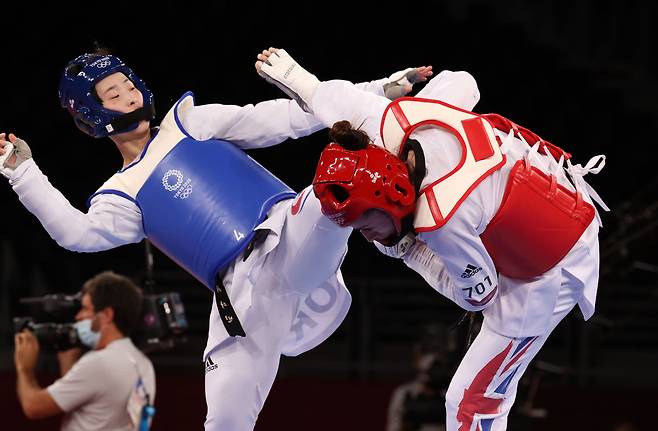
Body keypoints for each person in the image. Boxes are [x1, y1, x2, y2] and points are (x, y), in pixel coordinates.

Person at [0, 48, 431, 430]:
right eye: (113, 94)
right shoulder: (121, 195)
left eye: (128, 84)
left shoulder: (190, 122)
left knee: (341, 179)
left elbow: (283, 118)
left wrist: (378, 91)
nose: (128, 95)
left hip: (287, 232)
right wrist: (24, 174)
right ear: (91, 118)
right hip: (242, 296)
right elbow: (75, 233)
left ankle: (424, 245)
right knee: (224, 419)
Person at [256, 48, 609, 431]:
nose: (366, 236)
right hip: (543, 189)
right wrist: (293, 74)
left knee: (471, 403)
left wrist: (409, 251)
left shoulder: (440, 218)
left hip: (551, 263)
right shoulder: (388, 123)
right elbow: (464, 82)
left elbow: (480, 295)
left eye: (364, 223)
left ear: (394, 198)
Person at [14, 271, 155, 431]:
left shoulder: (99, 363)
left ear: (107, 315)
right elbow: (90, 403)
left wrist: (24, 368)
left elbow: (33, 407)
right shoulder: (144, 363)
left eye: (85, 309)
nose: (78, 316)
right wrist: (68, 362)